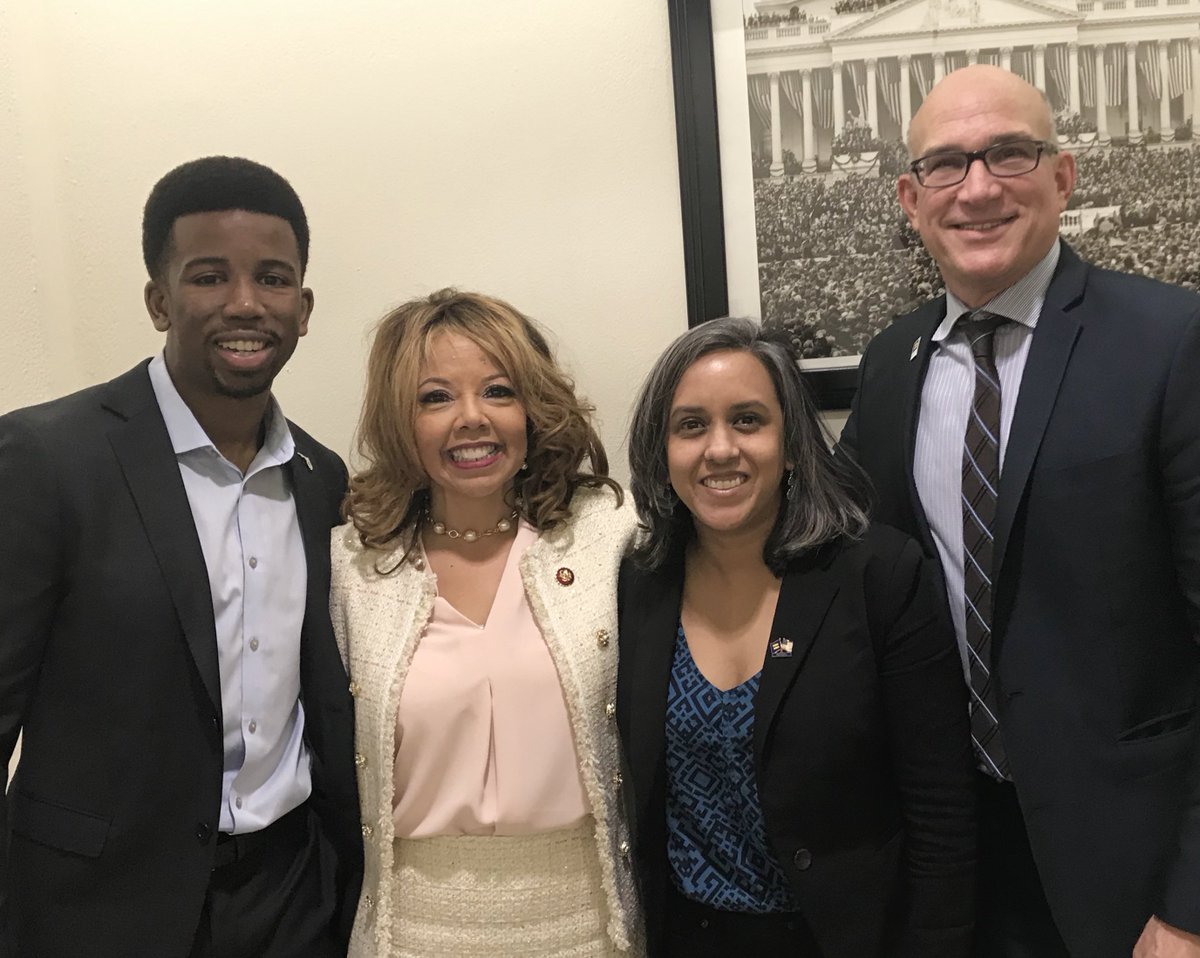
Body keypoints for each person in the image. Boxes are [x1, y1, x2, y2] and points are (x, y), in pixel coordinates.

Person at [839, 64, 1200, 958]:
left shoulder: (1172, 343)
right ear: (909, 197)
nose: (979, 188)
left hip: (1139, 869)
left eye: (1009, 154)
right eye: (948, 165)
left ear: (1063, 175)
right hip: (959, 863)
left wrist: (1192, 903)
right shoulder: (893, 365)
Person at [0, 156, 362, 957]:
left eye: (273, 279)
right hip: (95, 909)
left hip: (289, 899)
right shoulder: (46, 459)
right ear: (159, 300)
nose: (245, 304)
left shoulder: (321, 478)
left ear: (303, 308)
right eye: (209, 276)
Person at [618, 317, 975, 957]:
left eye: (748, 420)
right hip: (686, 938)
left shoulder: (878, 576)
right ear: (661, 449)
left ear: (791, 442)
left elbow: (942, 810)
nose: (720, 449)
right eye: (691, 425)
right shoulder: (638, 583)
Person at [331, 288, 643, 957]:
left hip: (590, 927)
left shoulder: (609, 535)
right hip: (408, 933)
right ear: (399, 420)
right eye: (435, 397)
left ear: (531, 407)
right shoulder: (354, 564)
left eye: (498, 391)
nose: (471, 419)